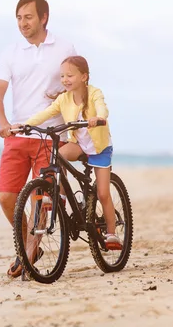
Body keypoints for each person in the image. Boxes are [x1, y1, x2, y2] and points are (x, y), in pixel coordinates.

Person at [0, 0, 78, 278]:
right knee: (6, 196)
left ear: (43, 18)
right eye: (18, 18)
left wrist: (65, 94)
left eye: (28, 17)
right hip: (18, 133)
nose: (22, 23)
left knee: (40, 197)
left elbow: (77, 82)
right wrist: (3, 123)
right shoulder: (10, 52)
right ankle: (32, 245)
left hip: (50, 134)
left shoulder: (64, 46)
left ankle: (27, 252)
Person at [13, 55, 122, 251]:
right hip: (79, 144)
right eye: (62, 75)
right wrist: (25, 125)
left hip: (99, 148)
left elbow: (102, 108)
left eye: (70, 75)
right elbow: (46, 114)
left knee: (103, 193)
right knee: (58, 156)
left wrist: (98, 117)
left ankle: (112, 233)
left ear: (84, 76)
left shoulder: (95, 93)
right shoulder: (63, 98)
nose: (65, 79)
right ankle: (60, 197)